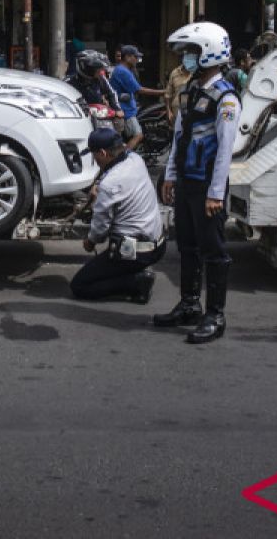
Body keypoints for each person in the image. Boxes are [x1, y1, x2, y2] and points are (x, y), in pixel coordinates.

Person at [154, 22, 241, 344]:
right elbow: (179, 135)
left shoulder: (226, 98)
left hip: (207, 186)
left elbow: (224, 150)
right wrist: (170, 174)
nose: (187, 58)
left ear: (209, 53)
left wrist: (216, 193)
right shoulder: (190, 90)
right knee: (187, 246)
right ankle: (189, 304)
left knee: (213, 251)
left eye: (192, 51)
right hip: (186, 182)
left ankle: (215, 315)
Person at [69, 128, 165, 303]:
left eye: (94, 155)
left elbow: (100, 229)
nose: (95, 160)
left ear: (104, 153)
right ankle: (134, 276)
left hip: (136, 252)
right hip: (158, 245)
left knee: (80, 286)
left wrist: (90, 242)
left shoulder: (110, 184)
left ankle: (136, 282)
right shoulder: (135, 159)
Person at [109, 44, 164, 153]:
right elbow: (139, 90)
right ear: (128, 57)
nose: (137, 59)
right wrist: (163, 92)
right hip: (126, 110)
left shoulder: (126, 70)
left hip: (129, 106)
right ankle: (122, 156)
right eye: (135, 57)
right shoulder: (122, 71)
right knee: (138, 135)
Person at [64, 49, 122, 116]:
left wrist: (117, 109)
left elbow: (111, 93)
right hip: (79, 117)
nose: (100, 71)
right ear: (86, 68)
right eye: (97, 69)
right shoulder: (69, 82)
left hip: (100, 117)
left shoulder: (101, 79)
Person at [163, 60, 191, 128]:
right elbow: (168, 94)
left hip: (191, 114)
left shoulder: (197, 73)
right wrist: (169, 111)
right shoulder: (174, 73)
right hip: (176, 113)